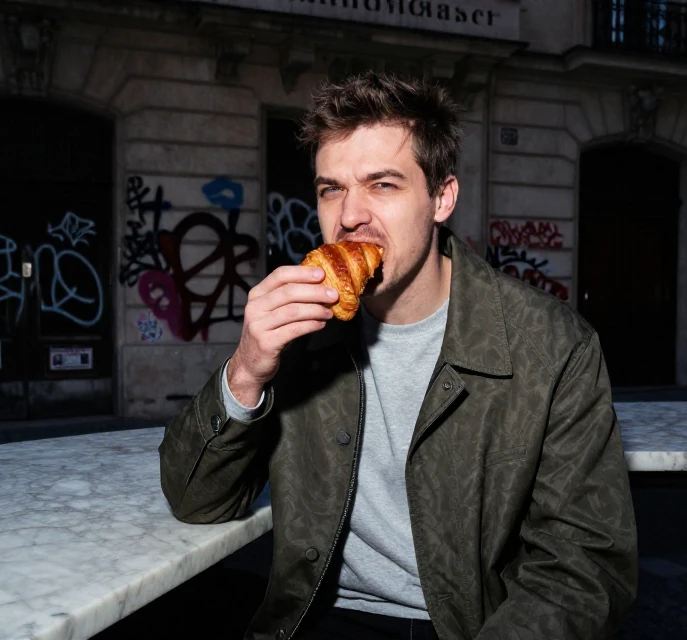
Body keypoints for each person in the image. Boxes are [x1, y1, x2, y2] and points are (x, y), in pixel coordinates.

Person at [159, 71, 637, 640]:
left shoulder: (552, 345)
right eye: (330, 188)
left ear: (442, 198)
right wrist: (245, 372)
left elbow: (585, 567)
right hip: (317, 617)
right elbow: (195, 500)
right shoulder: (300, 330)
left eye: (382, 185)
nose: (349, 215)